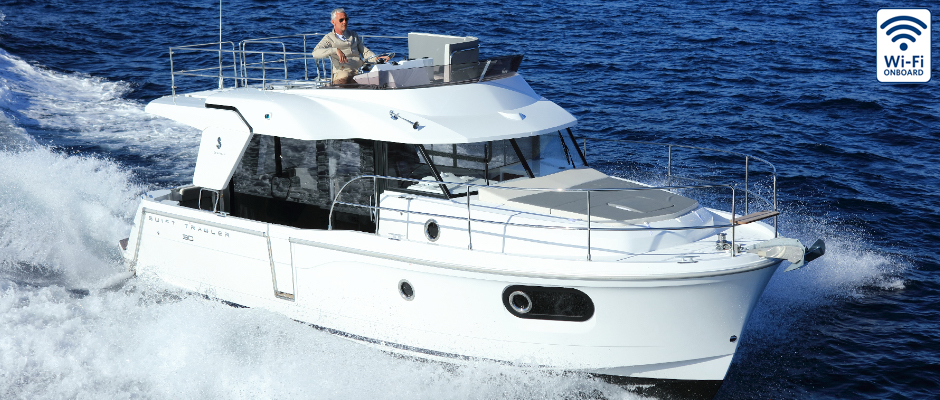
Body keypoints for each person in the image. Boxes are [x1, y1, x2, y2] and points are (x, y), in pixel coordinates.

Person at [311, 8, 389, 85]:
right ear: (333, 22)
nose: (344, 22)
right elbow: (315, 53)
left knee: (383, 74)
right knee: (345, 77)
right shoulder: (329, 38)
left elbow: (365, 52)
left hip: (359, 69)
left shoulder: (353, 35)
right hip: (343, 72)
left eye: (346, 19)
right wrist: (335, 50)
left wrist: (377, 59)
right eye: (341, 20)